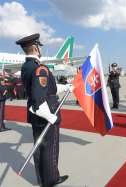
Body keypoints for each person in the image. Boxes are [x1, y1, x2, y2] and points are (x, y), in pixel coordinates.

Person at [16, 33, 68, 187]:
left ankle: (42, 179)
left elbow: (46, 89)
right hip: (46, 114)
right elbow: (39, 97)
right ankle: (51, 180)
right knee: (49, 149)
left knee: (40, 148)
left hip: (36, 115)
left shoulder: (27, 66)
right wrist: (48, 115)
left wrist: (65, 87)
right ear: (36, 48)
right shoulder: (40, 69)